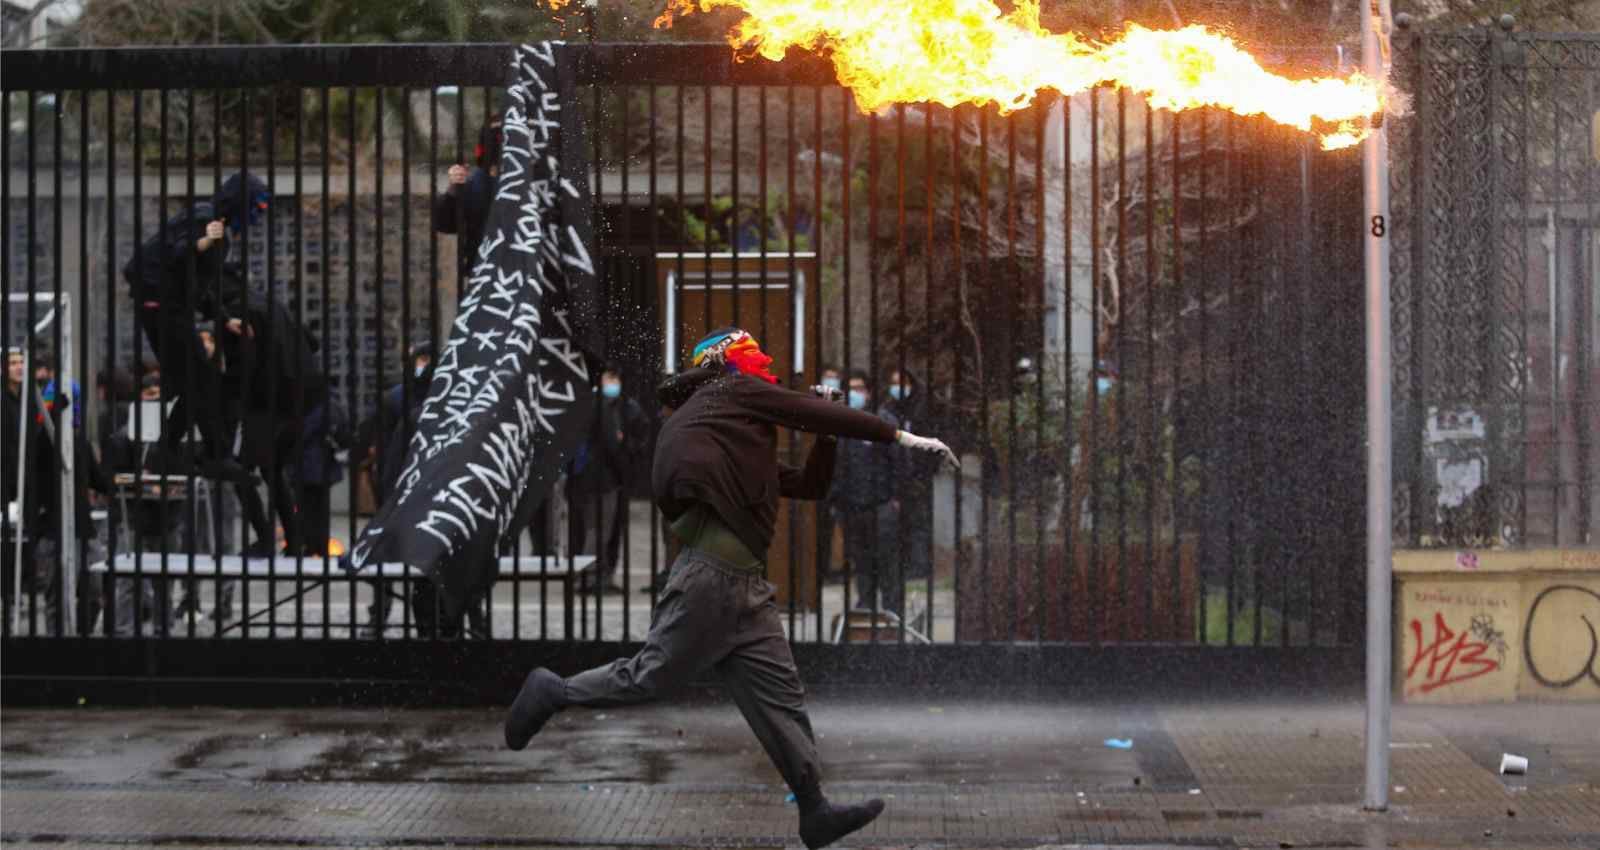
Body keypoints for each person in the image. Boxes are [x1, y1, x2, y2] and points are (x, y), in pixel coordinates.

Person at [504, 327, 959, 850]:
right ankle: (553, 691)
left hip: (745, 590)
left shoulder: (734, 439)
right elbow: (808, 412)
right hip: (712, 579)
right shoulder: (727, 389)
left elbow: (810, 485)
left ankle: (815, 811)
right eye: (754, 358)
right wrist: (901, 436)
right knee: (649, 676)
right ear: (731, 363)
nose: (763, 369)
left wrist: (827, 439)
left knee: (780, 700)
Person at [566, 367, 649, 594]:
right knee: (599, 529)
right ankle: (589, 576)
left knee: (596, 528)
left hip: (591, 476)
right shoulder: (602, 406)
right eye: (609, 378)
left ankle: (595, 575)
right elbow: (613, 443)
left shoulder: (591, 403)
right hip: (604, 478)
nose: (613, 383)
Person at [826, 369, 898, 615]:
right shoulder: (842, 425)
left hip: (880, 503)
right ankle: (865, 603)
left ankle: (891, 607)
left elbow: (899, 461)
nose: (855, 394)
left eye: (859, 388)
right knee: (861, 559)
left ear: (867, 392)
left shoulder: (881, 421)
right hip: (851, 505)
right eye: (851, 389)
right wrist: (836, 499)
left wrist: (895, 497)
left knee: (887, 559)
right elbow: (834, 466)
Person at [880, 366, 936, 595]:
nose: (898, 388)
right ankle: (901, 566)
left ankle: (919, 564)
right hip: (895, 474)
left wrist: (924, 470)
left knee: (919, 521)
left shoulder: (921, 409)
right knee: (896, 525)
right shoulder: (887, 410)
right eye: (894, 382)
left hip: (918, 474)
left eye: (902, 383)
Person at [434, 118, 501, 280]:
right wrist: (453, 188)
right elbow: (445, 224)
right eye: (495, 136)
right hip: (482, 273)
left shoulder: (526, 183)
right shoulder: (473, 184)